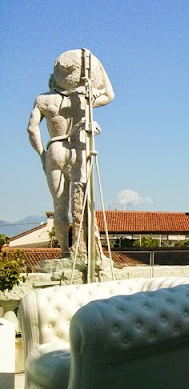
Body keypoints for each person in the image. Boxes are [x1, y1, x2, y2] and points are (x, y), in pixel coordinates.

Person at [27, 50, 114, 256]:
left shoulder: (43, 100)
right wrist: (97, 66)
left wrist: (42, 153)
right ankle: (82, 247)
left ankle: (66, 253)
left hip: (55, 148)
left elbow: (32, 129)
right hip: (78, 149)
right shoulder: (82, 99)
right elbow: (110, 94)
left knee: (59, 206)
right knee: (83, 203)